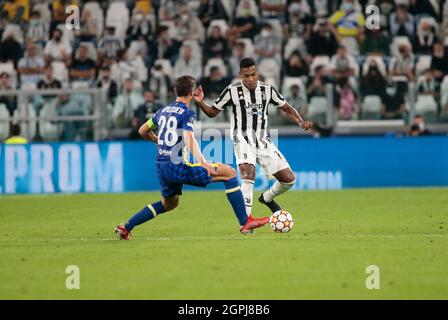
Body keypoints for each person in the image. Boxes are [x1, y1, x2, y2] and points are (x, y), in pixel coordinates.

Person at [114, 76, 269, 239]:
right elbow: (188, 136)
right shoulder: (187, 113)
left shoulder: (162, 111)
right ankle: (245, 222)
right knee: (229, 173)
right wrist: (203, 162)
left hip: (162, 165)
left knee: (170, 204)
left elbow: (142, 130)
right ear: (191, 91)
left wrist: (158, 140)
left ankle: (126, 227)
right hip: (178, 166)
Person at [194, 58, 313, 217]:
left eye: (253, 74)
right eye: (246, 76)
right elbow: (212, 112)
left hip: (263, 141)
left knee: (288, 179)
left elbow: (287, 107)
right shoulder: (232, 91)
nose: (250, 79)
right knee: (248, 175)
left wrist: (300, 121)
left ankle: (267, 198)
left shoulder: (268, 90)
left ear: (258, 73)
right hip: (242, 139)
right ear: (240, 75)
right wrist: (200, 102)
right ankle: (246, 222)